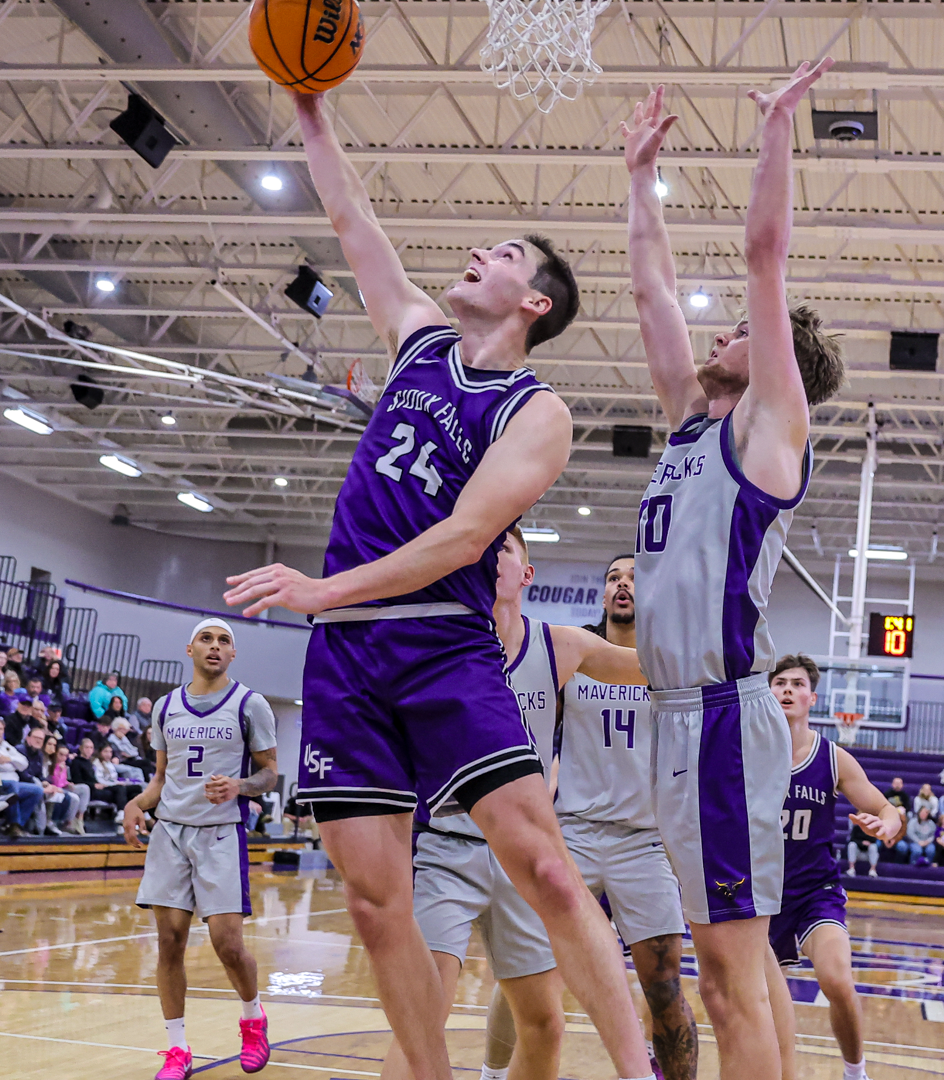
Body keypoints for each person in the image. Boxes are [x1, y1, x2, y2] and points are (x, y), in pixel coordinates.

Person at [217, 69, 651, 1080]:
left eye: (502, 253)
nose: (476, 253)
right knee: (375, 906)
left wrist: (325, 590)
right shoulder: (414, 339)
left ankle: (640, 1074)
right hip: (348, 662)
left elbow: (463, 537)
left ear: (534, 300)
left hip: (443, 645)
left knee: (542, 861)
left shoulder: (537, 410)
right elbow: (349, 215)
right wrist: (312, 112)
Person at [613, 66, 847, 1080]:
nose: (715, 333)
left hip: (718, 718)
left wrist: (776, 132)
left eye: (738, 330)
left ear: (774, 361)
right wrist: (639, 178)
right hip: (669, 719)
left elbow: (764, 253)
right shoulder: (688, 427)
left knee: (728, 981)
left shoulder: (768, 433)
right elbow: (650, 288)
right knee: (718, 976)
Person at [393, 530, 656, 1080]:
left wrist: (723, 635)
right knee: (423, 1021)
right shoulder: (435, 647)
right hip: (448, 845)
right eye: (483, 548)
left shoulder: (559, 645)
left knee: (544, 1026)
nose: (492, 555)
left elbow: (652, 668)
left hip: (523, 858)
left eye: (505, 548)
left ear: (526, 574)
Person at [123, 618, 279, 1078]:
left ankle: (253, 1018)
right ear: (189, 649)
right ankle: (177, 1049)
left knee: (227, 945)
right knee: (169, 941)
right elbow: (159, 779)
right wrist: (137, 802)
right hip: (170, 833)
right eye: (207, 639)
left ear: (233, 654)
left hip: (220, 836)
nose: (215, 646)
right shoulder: (167, 706)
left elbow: (270, 772)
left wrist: (240, 785)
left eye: (224, 640)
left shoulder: (251, 705)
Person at [766, 654, 900, 1080]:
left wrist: (886, 823)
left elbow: (887, 807)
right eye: (780, 682)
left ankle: (855, 1072)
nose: (787, 689)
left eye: (797, 684)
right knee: (765, 1004)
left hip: (814, 892)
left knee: (837, 979)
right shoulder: (747, 751)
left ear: (812, 697)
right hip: (760, 895)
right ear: (766, 693)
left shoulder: (831, 757)